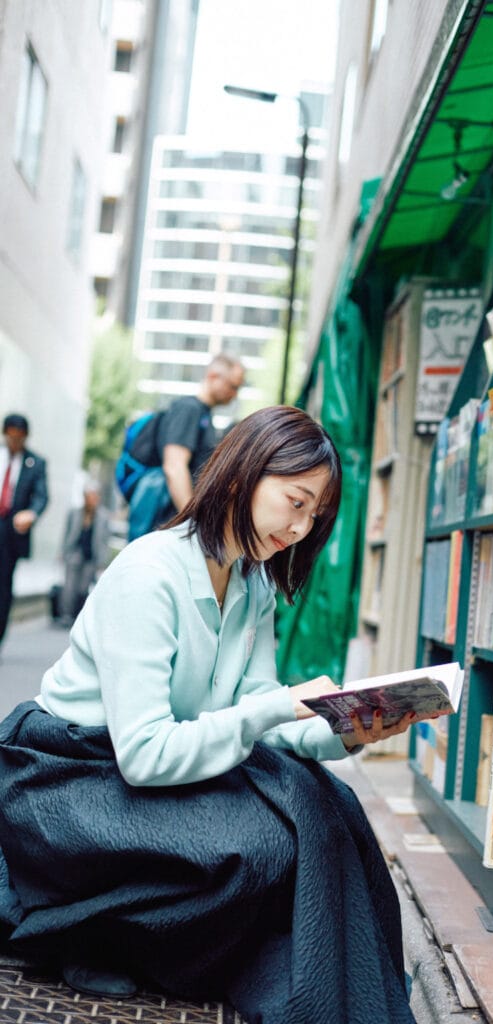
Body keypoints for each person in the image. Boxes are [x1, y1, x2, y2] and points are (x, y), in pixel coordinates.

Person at [0, 406, 436, 1024]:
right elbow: (148, 754)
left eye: (316, 515)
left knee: (324, 803)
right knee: (255, 842)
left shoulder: (252, 584)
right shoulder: (149, 573)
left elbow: (257, 706)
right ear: (244, 472)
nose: (301, 529)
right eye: (296, 501)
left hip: (144, 762)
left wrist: (345, 730)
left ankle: (295, 980)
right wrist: (276, 704)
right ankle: (85, 927)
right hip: (68, 775)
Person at [128, 352, 245, 541]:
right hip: (165, 524)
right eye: (233, 386)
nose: (235, 394)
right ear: (213, 376)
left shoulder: (203, 414)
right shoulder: (189, 409)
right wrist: (192, 523)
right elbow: (174, 467)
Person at [0, 413, 48, 649]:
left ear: (26, 437)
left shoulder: (35, 463)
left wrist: (31, 513)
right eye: (10, 437)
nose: (14, 442)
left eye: (19, 438)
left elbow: (42, 496)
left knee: (3, 588)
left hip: (10, 534)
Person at [58, 479, 110, 626]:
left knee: (83, 588)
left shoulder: (103, 516)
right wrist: (62, 552)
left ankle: (78, 616)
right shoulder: (74, 513)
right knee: (69, 586)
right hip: (74, 553)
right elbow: (66, 533)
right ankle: (66, 615)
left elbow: (105, 540)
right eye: (89, 495)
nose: (92, 499)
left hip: (91, 556)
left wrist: (102, 560)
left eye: (94, 495)